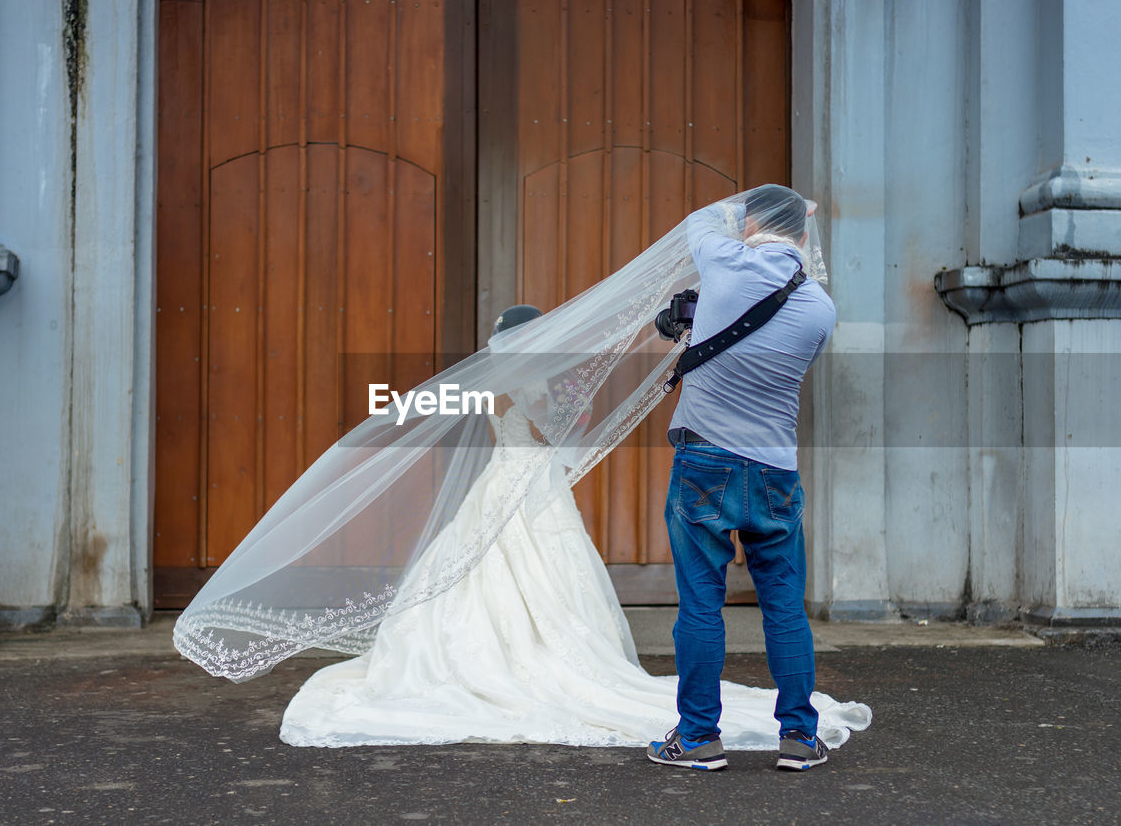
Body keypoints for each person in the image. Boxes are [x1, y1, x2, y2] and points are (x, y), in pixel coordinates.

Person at [279, 303, 869, 750]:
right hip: (531, 487)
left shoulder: (503, 377)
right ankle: (787, 728)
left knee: (482, 569)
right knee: (541, 574)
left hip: (508, 484)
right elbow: (548, 433)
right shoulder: (532, 380)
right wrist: (575, 413)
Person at [646, 184, 838, 772]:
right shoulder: (819, 308)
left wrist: (755, 200)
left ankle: (699, 738)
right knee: (784, 606)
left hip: (705, 463)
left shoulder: (724, 264)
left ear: (750, 225)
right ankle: (800, 739)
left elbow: (701, 217)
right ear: (804, 238)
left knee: (700, 604)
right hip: (776, 469)